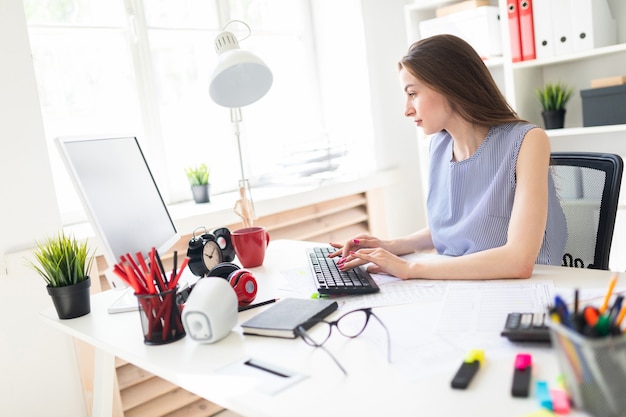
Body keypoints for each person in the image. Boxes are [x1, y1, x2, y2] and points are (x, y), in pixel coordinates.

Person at [330, 34, 567, 280]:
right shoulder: (438, 146)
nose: (407, 109)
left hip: (524, 290)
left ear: (448, 85)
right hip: (458, 284)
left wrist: (409, 269)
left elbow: (518, 261)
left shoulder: (527, 141)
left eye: (412, 93)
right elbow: (454, 229)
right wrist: (392, 246)